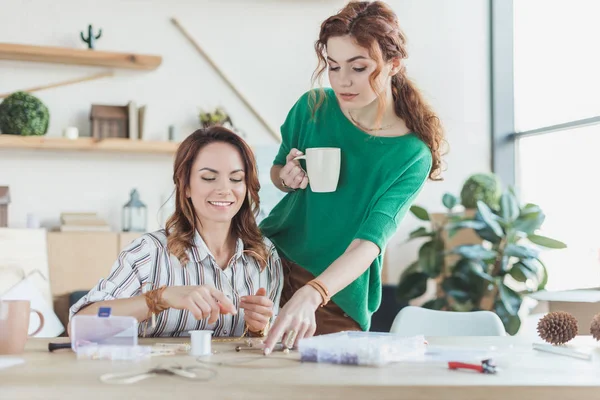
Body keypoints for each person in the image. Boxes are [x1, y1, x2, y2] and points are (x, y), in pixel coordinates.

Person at [260, 0, 445, 354]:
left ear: (393, 64)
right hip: (270, 265)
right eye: (333, 66)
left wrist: (313, 292)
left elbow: (369, 243)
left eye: (358, 68)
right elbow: (278, 173)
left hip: (337, 293)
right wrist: (287, 176)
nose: (343, 81)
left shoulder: (411, 154)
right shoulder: (312, 107)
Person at [69, 126, 283, 337]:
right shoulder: (149, 253)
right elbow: (80, 325)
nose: (225, 189)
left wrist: (258, 329)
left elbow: (273, 340)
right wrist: (159, 298)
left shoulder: (265, 256)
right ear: (186, 186)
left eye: (236, 179)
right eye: (209, 178)